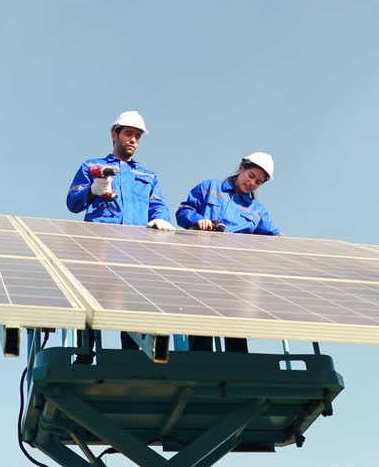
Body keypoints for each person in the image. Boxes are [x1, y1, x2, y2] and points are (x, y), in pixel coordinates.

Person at [67, 110, 175, 355]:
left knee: (130, 309)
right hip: (98, 248)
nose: (133, 140)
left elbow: (158, 204)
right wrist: (93, 190)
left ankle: (132, 359)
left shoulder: (148, 175)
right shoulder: (92, 167)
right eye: (128, 134)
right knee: (91, 306)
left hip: (135, 251)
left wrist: (160, 217)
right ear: (114, 134)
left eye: (137, 136)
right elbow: (73, 203)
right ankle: (84, 356)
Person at [175, 152, 279, 352]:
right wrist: (197, 220)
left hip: (235, 279)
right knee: (202, 333)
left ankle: (238, 370)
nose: (252, 184)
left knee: (236, 335)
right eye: (251, 176)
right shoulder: (210, 188)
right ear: (241, 168)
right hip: (203, 272)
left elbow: (273, 238)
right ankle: (201, 368)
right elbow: (183, 211)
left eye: (258, 182)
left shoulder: (258, 211)